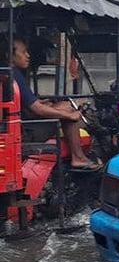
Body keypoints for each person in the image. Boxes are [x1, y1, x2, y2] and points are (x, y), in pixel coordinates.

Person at [5, 37, 101, 170]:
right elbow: (37, 109)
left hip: (20, 122)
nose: (28, 55)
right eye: (24, 52)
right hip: (24, 129)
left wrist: (44, 103)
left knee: (64, 106)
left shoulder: (9, 73)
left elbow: (29, 102)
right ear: (9, 55)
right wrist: (69, 116)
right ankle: (78, 158)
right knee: (68, 111)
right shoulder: (14, 75)